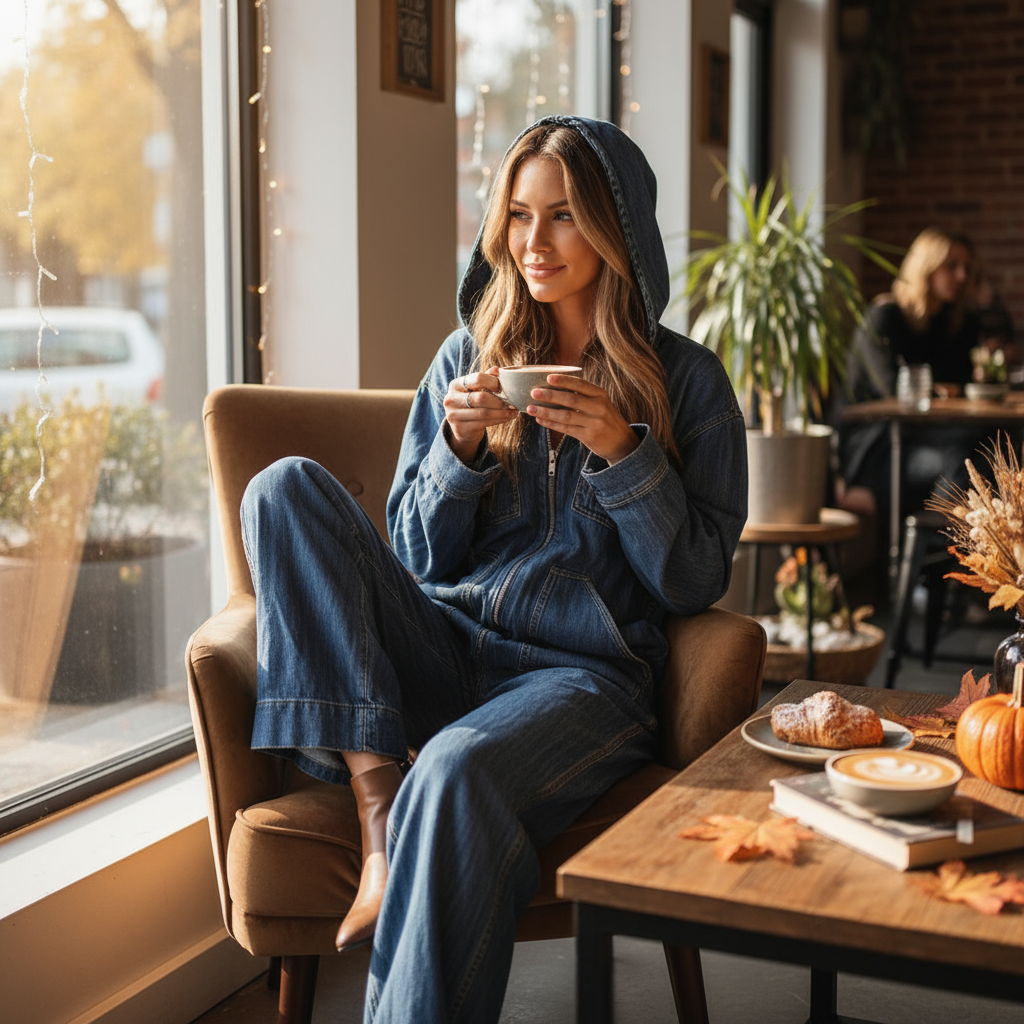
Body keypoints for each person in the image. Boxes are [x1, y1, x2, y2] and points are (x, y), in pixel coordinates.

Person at [239, 116, 747, 1024]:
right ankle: (377, 810)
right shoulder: (463, 357)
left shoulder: (690, 384)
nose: (535, 242)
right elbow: (417, 556)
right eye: (519, 215)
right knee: (281, 491)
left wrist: (623, 452)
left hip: (581, 679)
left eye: (562, 217)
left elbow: (695, 582)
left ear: (616, 228)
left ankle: (411, 814)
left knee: (458, 768)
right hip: (444, 648)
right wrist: (459, 448)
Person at [836, 227, 984, 519]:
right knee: (963, 459)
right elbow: (894, 391)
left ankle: (958, 557)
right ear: (926, 266)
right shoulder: (885, 317)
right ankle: (939, 557)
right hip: (879, 447)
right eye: (951, 266)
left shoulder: (958, 323)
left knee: (987, 450)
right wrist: (946, 390)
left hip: (931, 436)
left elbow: (965, 385)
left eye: (966, 268)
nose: (962, 276)